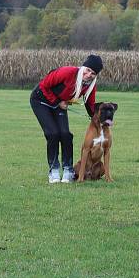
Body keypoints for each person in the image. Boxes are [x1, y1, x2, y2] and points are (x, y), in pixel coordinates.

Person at [30, 54, 103, 183]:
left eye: (93, 73)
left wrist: (98, 120)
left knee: (66, 134)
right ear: (83, 67)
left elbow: (90, 104)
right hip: (41, 100)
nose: (89, 74)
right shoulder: (67, 72)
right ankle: (54, 170)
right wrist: (57, 102)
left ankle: (68, 169)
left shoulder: (90, 85)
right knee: (52, 133)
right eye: (88, 70)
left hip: (59, 103)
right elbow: (44, 86)